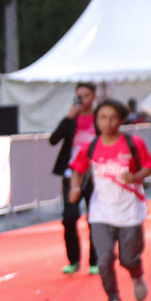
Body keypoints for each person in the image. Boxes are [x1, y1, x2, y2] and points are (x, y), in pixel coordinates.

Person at [70, 98, 151, 301]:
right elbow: (78, 169)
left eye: (112, 118)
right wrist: (75, 187)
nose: (107, 123)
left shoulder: (133, 143)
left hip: (130, 209)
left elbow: (149, 166)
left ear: (121, 119)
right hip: (101, 211)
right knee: (104, 259)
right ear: (96, 120)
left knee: (128, 258)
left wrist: (135, 176)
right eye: (103, 118)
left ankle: (136, 273)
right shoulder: (91, 146)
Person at [47, 81, 98, 275]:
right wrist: (69, 116)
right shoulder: (71, 120)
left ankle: (95, 261)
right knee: (69, 217)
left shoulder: (99, 118)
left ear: (93, 97)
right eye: (79, 96)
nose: (82, 99)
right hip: (71, 174)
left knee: (95, 218)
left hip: (94, 175)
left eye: (86, 95)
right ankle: (73, 260)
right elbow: (53, 140)